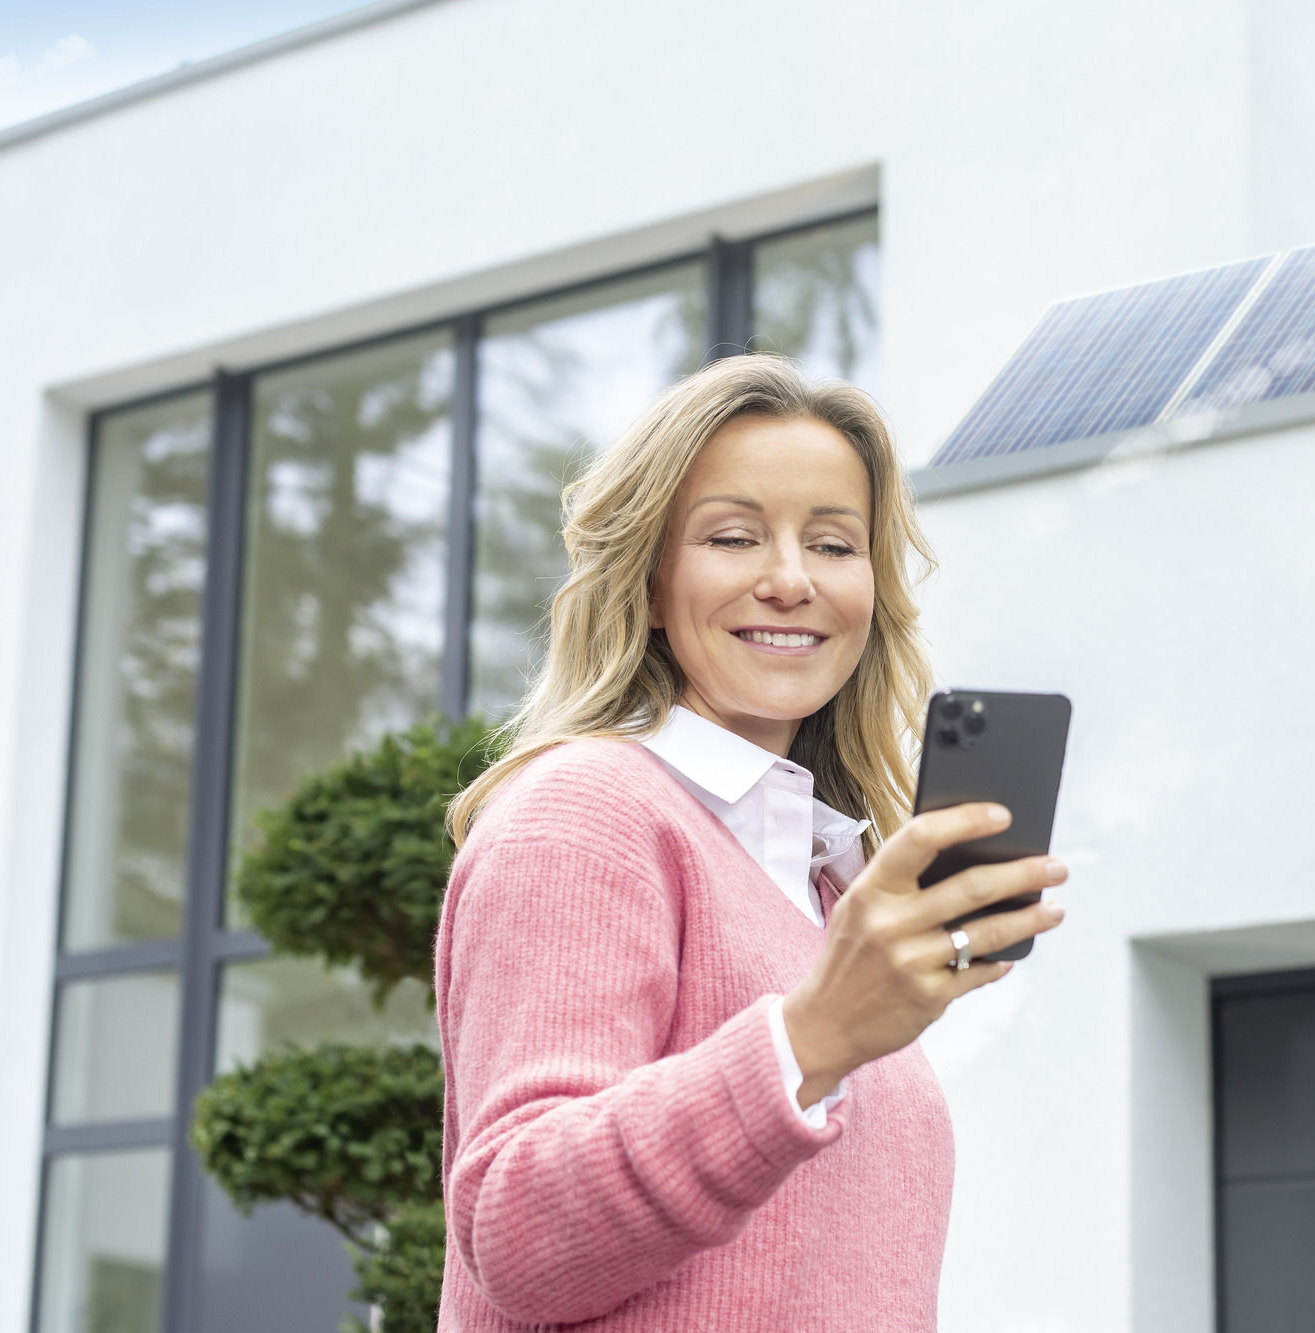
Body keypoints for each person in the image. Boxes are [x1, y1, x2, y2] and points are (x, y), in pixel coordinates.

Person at [434, 354, 1068, 1331]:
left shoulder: (824, 888)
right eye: (733, 537)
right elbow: (519, 1234)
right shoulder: (585, 811)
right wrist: (807, 1038)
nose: (788, 580)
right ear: (648, 584)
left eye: (832, 543)